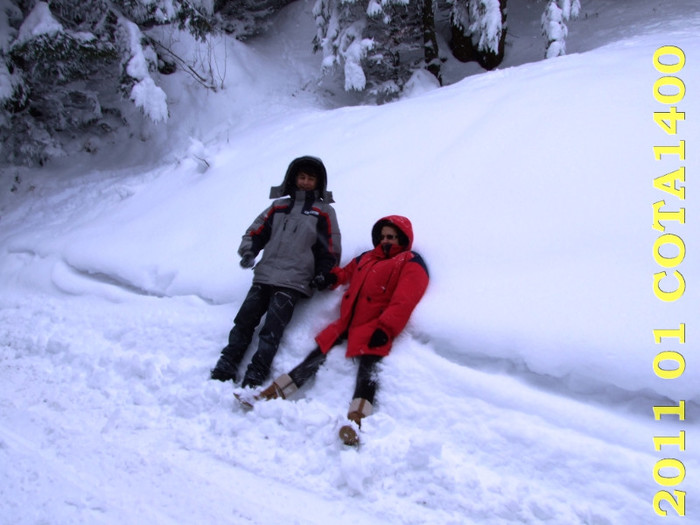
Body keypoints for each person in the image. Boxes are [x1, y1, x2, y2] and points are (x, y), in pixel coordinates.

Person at [253, 215, 429, 446]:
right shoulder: (367, 257)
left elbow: (405, 299)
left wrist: (386, 328)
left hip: (375, 325)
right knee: (315, 356)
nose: (387, 241)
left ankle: (356, 421)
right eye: (384, 236)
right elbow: (345, 273)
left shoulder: (409, 261)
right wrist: (329, 278)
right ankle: (275, 392)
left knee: (368, 370)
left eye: (393, 237)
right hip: (347, 322)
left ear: (403, 239)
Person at [210, 156, 341, 388]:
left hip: (294, 281)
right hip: (264, 275)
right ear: (293, 178)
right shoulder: (278, 206)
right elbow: (255, 232)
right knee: (243, 321)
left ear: (319, 183)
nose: (305, 182)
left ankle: (257, 372)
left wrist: (324, 273)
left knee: (271, 330)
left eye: (311, 179)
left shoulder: (324, 212)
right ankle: (227, 362)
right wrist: (249, 252)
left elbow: (329, 248)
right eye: (301, 177)